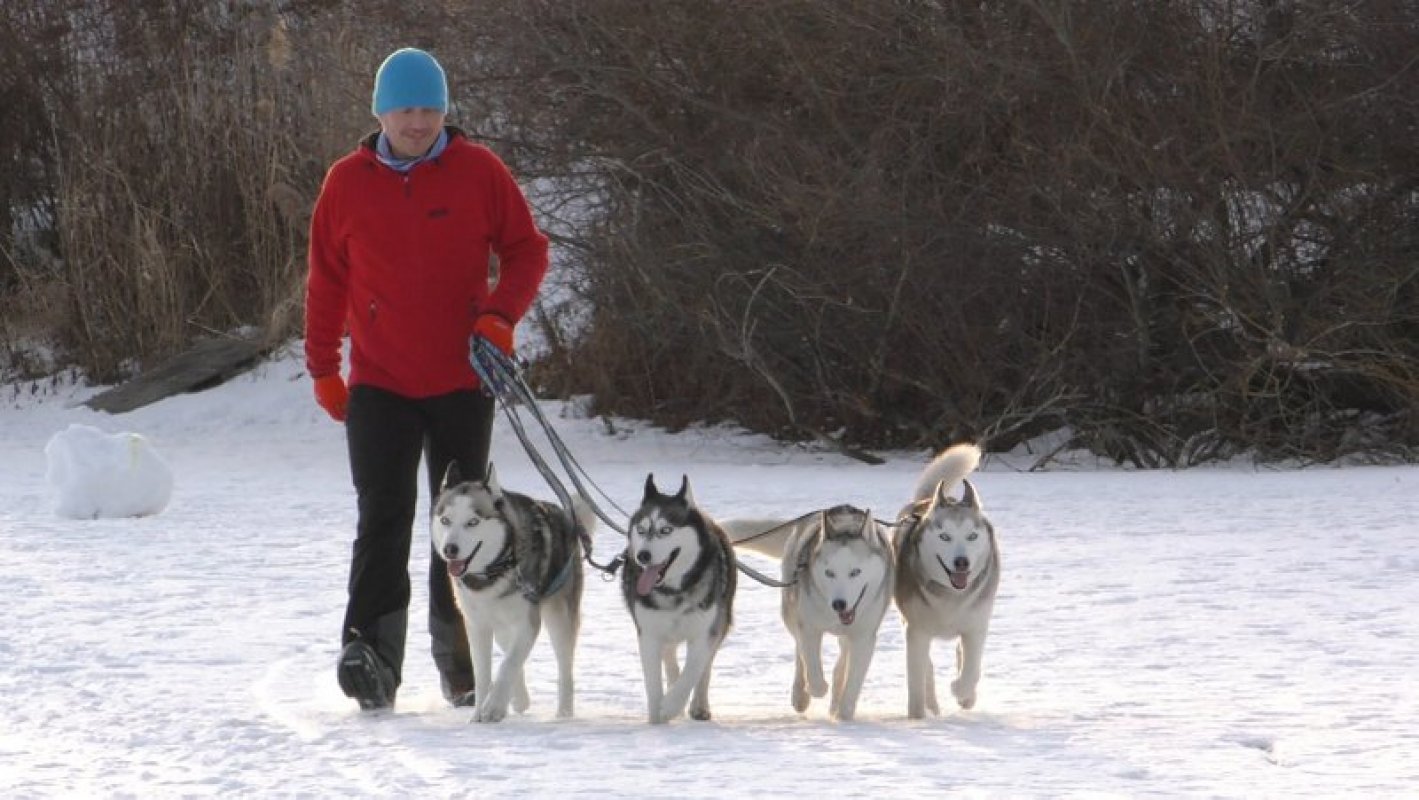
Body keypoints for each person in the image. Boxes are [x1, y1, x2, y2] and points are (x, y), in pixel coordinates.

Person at [304, 47, 549, 711]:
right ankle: (370, 658)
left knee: (465, 525)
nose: (417, 122)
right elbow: (327, 279)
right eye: (405, 109)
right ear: (380, 111)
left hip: (462, 380)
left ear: (444, 111)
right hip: (379, 384)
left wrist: (500, 316)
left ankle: (461, 660)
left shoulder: (478, 170)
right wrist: (324, 366)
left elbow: (528, 249)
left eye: (429, 108)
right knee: (382, 517)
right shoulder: (346, 183)